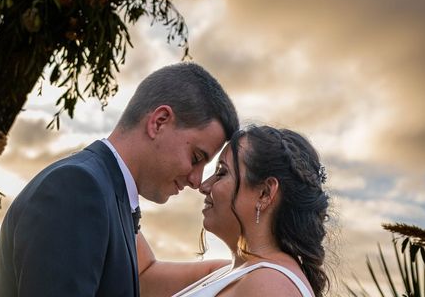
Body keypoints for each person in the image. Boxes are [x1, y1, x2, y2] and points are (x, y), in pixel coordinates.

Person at [0, 62, 239, 296]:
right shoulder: (78, 188)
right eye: (196, 157)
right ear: (159, 122)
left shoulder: (111, 193)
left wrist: (249, 271)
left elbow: (146, 274)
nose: (197, 181)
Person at [138, 125, 330, 297]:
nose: (204, 186)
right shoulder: (234, 272)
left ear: (264, 193)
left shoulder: (269, 285)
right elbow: (143, 275)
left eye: (222, 173)